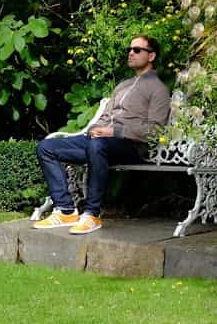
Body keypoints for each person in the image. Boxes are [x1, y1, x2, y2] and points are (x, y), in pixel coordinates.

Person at [33, 35, 171, 234]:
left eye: (137, 50)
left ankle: (92, 214)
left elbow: (155, 130)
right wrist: (94, 128)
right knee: (47, 147)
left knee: (98, 145)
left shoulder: (158, 89)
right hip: (99, 142)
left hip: (130, 146)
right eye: (130, 49)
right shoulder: (123, 85)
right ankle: (65, 210)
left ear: (151, 56)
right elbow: (106, 116)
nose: (131, 53)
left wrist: (113, 131)